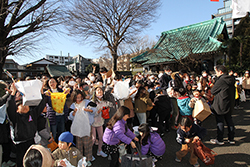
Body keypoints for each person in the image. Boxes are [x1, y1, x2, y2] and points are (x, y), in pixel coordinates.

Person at [7, 83, 46, 167]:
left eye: (26, 105)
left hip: (31, 141)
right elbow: (9, 107)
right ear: (17, 109)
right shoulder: (15, 117)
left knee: (32, 161)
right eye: (22, 105)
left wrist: (41, 91)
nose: (25, 107)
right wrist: (13, 93)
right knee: (22, 162)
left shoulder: (32, 113)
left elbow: (41, 104)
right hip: (20, 144)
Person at [210, 65, 235, 145]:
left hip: (220, 103)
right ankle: (231, 138)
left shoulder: (221, 80)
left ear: (220, 72)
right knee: (229, 121)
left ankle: (220, 139)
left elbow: (213, 91)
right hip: (229, 103)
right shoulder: (231, 79)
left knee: (220, 121)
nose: (216, 73)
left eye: (216, 71)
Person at [68, 90, 94, 166]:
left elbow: (94, 110)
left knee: (87, 145)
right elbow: (70, 117)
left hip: (86, 126)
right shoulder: (73, 105)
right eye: (77, 98)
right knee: (79, 145)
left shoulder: (87, 102)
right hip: (78, 127)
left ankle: (88, 159)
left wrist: (88, 110)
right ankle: (80, 160)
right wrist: (74, 112)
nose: (79, 99)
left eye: (80, 97)